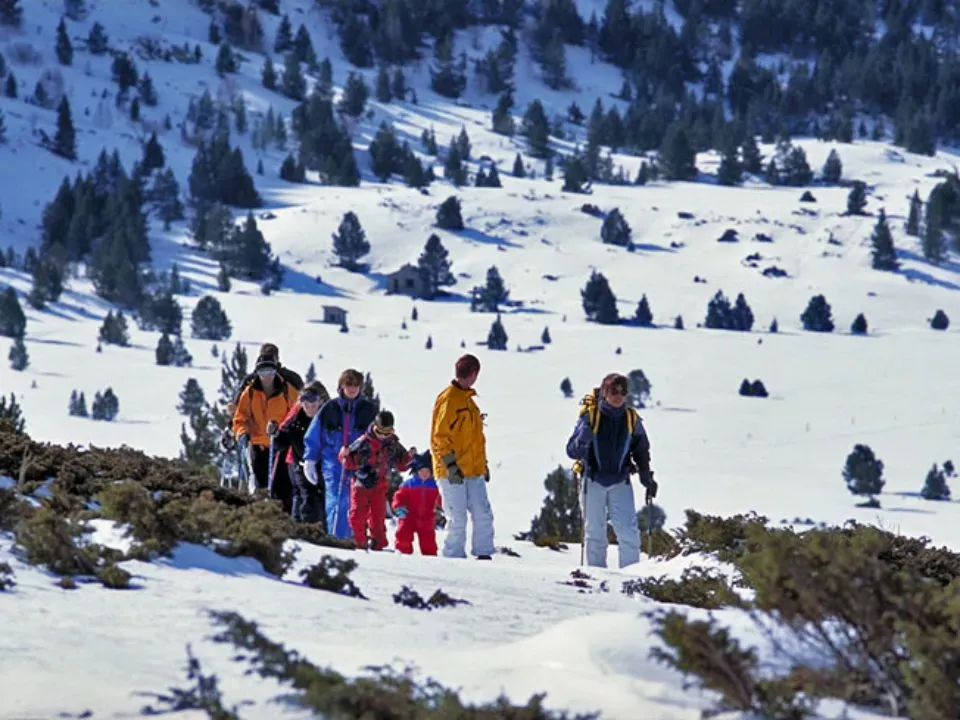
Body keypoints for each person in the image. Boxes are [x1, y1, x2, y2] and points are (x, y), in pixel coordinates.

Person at [565, 372, 657, 569]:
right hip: (592, 480)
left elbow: (641, 450)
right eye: (614, 391)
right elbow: (571, 451)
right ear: (605, 392)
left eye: (623, 391)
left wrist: (645, 475)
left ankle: (632, 577)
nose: (619, 396)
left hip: (620, 481)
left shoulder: (631, 419)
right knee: (595, 532)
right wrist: (583, 438)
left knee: (629, 533)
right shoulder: (590, 416)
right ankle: (596, 575)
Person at [430, 353, 495, 560]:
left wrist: (483, 465)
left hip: (473, 470)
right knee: (457, 518)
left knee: (483, 513)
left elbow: (476, 439)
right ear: (473, 374)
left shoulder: (469, 402)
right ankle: (453, 557)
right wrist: (450, 465)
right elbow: (439, 437)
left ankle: (484, 553)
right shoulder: (449, 400)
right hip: (452, 471)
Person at [303, 368, 378, 540]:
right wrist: (310, 459)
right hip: (333, 463)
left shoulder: (369, 410)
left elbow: (379, 437)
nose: (352, 388)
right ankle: (337, 539)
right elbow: (314, 435)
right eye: (348, 384)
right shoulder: (329, 408)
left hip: (360, 463)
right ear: (341, 386)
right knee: (338, 500)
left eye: (356, 385)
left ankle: (355, 539)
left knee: (356, 502)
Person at [342, 410, 414, 550]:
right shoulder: (363, 441)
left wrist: (409, 458)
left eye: (387, 433)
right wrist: (345, 455)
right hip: (361, 484)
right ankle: (359, 543)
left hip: (380, 484)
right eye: (379, 431)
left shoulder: (394, 444)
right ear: (374, 427)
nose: (382, 436)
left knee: (378, 517)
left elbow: (401, 465)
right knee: (357, 516)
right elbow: (348, 460)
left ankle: (378, 544)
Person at [232, 357, 300, 501]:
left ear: (276, 371)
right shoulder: (249, 392)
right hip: (258, 447)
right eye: (263, 371)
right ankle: (261, 518)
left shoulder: (287, 390)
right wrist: (242, 433)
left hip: (281, 447)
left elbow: (297, 413)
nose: (267, 376)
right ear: (257, 372)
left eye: (270, 371)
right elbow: (240, 418)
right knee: (259, 487)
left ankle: (282, 518)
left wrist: (283, 431)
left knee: (283, 488)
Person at [271, 381, 327, 528]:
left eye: (313, 400)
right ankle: (303, 530)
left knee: (321, 498)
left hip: (324, 465)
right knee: (305, 495)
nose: (309, 405)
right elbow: (281, 442)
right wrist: (275, 433)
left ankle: (320, 530)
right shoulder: (296, 418)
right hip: (299, 462)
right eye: (304, 400)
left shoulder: (329, 417)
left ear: (321, 400)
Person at [392, 451, 441, 556]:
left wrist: (445, 507)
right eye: (421, 471)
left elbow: (441, 498)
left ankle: (430, 557)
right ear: (416, 471)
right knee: (403, 534)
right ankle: (402, 553)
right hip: (408, 516)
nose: (424, 473)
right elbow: (399, 496)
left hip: (427, 518)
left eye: (427, 471)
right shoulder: (409, 484)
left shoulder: (435, 485)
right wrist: (399, 507)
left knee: (428, 541)